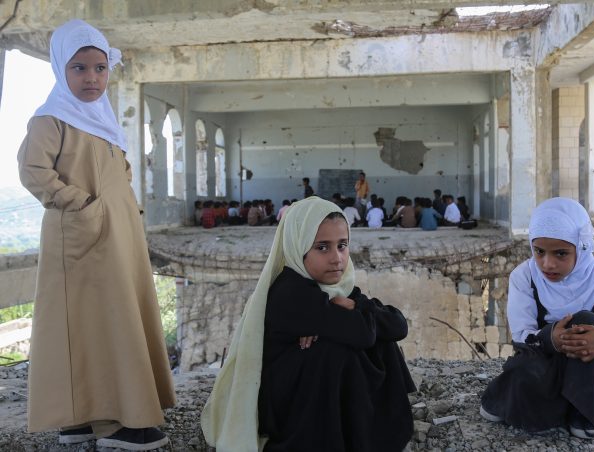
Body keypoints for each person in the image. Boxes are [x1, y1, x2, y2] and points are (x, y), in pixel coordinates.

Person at [16, 19, 175, 450]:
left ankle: (81, 417)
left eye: (100, 68)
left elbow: (117, 173)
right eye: (80, 68)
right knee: (96, 322)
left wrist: (119, 210)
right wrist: (80, 204)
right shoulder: (51, 119)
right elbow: (33, 171)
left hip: (115, 236)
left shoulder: (101, 119)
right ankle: (120, 421)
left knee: (105, 319)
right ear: (61, 71)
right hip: (81, 238)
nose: (92, 78)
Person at [201, 197, 415, 452]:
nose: (337, 258)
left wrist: (358, 308)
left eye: (342, 245)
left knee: (371, 337)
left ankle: (371, 428)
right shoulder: (290, 292)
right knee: (337, 352)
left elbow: (399, 326)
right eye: (322, 248)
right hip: (279, 403)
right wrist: (356, 317)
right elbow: (362, 334)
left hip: (304, 389)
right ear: (298, 246)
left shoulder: (336, 286)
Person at [480, 197, 594, 440]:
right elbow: (522, 335)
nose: (548, 263)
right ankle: (560, 407)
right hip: (546, 360)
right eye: (539, 252)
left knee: (585, 319)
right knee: (524, 375)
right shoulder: (525, 276)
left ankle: (583, 413)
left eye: (561, 253)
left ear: (582, 246)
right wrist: (551, 338)